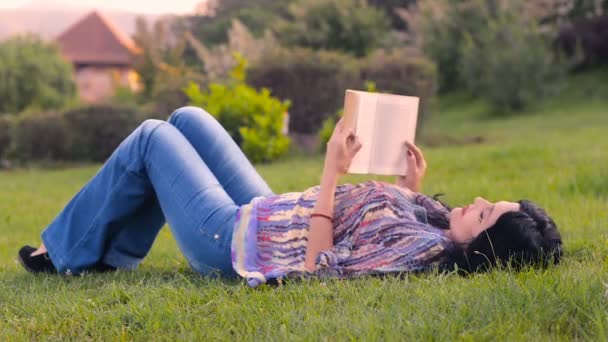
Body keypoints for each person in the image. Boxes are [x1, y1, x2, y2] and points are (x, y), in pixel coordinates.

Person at [18, 106, 563, 286]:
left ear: (482, 248)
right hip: (271, 211)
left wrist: (332, 170)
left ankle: (65, 255)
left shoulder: (421, 254)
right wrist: (407, 189)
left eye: (487, 214)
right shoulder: (441, 226)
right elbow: (383, 221)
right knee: (188, 118)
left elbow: (319, 265)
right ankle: (109, 255)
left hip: (232, 241)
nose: (480, 201)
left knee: (153, 137)